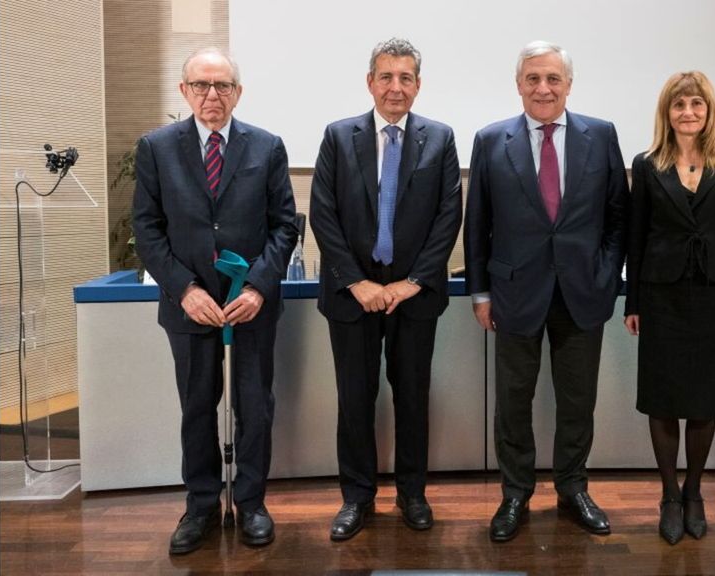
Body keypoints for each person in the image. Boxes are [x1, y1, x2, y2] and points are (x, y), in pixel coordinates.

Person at [133, 47, 298, 554]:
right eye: (201, 85)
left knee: (255, 406)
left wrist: (256, 288)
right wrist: (185, 289)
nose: (212, 95)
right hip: (190, 307)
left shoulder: (266, 147)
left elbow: (284, 226)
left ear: (238, 92)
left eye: (222, 85)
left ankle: (250, 503)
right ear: (184, 91)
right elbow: (147, 228)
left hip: (251, 306)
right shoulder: (156, 148)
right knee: (197, 408)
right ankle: (201, 505)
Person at [465, 40, 628, 542]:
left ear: (568, 85)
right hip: (514, 294)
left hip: (583, 293)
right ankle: (515, 494)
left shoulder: (601, 136)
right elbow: (478, 225)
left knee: (577, 400)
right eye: (533, 78)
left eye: (553, 78)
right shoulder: (491, 140)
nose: (543, 87)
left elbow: (619, 219)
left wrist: (605, 275)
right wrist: (480, 293)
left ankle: (573, 487)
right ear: (519, 84)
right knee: (513, 400)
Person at [309, 37, 462, 541]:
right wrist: (356, 282)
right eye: (386, 77)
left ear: (418, 85)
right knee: (354, 399)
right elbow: (323, 215)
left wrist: (410, 282)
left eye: (406, 78)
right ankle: (356, 498)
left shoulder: (440, 139)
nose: (395, 87)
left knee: (413, 397)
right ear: (370, 82)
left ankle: (412, 494)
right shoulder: (338, 136)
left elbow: (447, 218)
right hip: (352, 298)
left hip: (413, 297)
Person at [623, 71, 715, 545]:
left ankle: (695, 492)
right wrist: (632, 302)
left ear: (709, 110)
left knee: (705, 399)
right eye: (679, 105)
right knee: (663, 398)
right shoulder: (647, 163)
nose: (688, 113)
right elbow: (634, 239)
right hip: (661, 296)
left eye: (696, 105)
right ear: (667, 113)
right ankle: (668, 495)